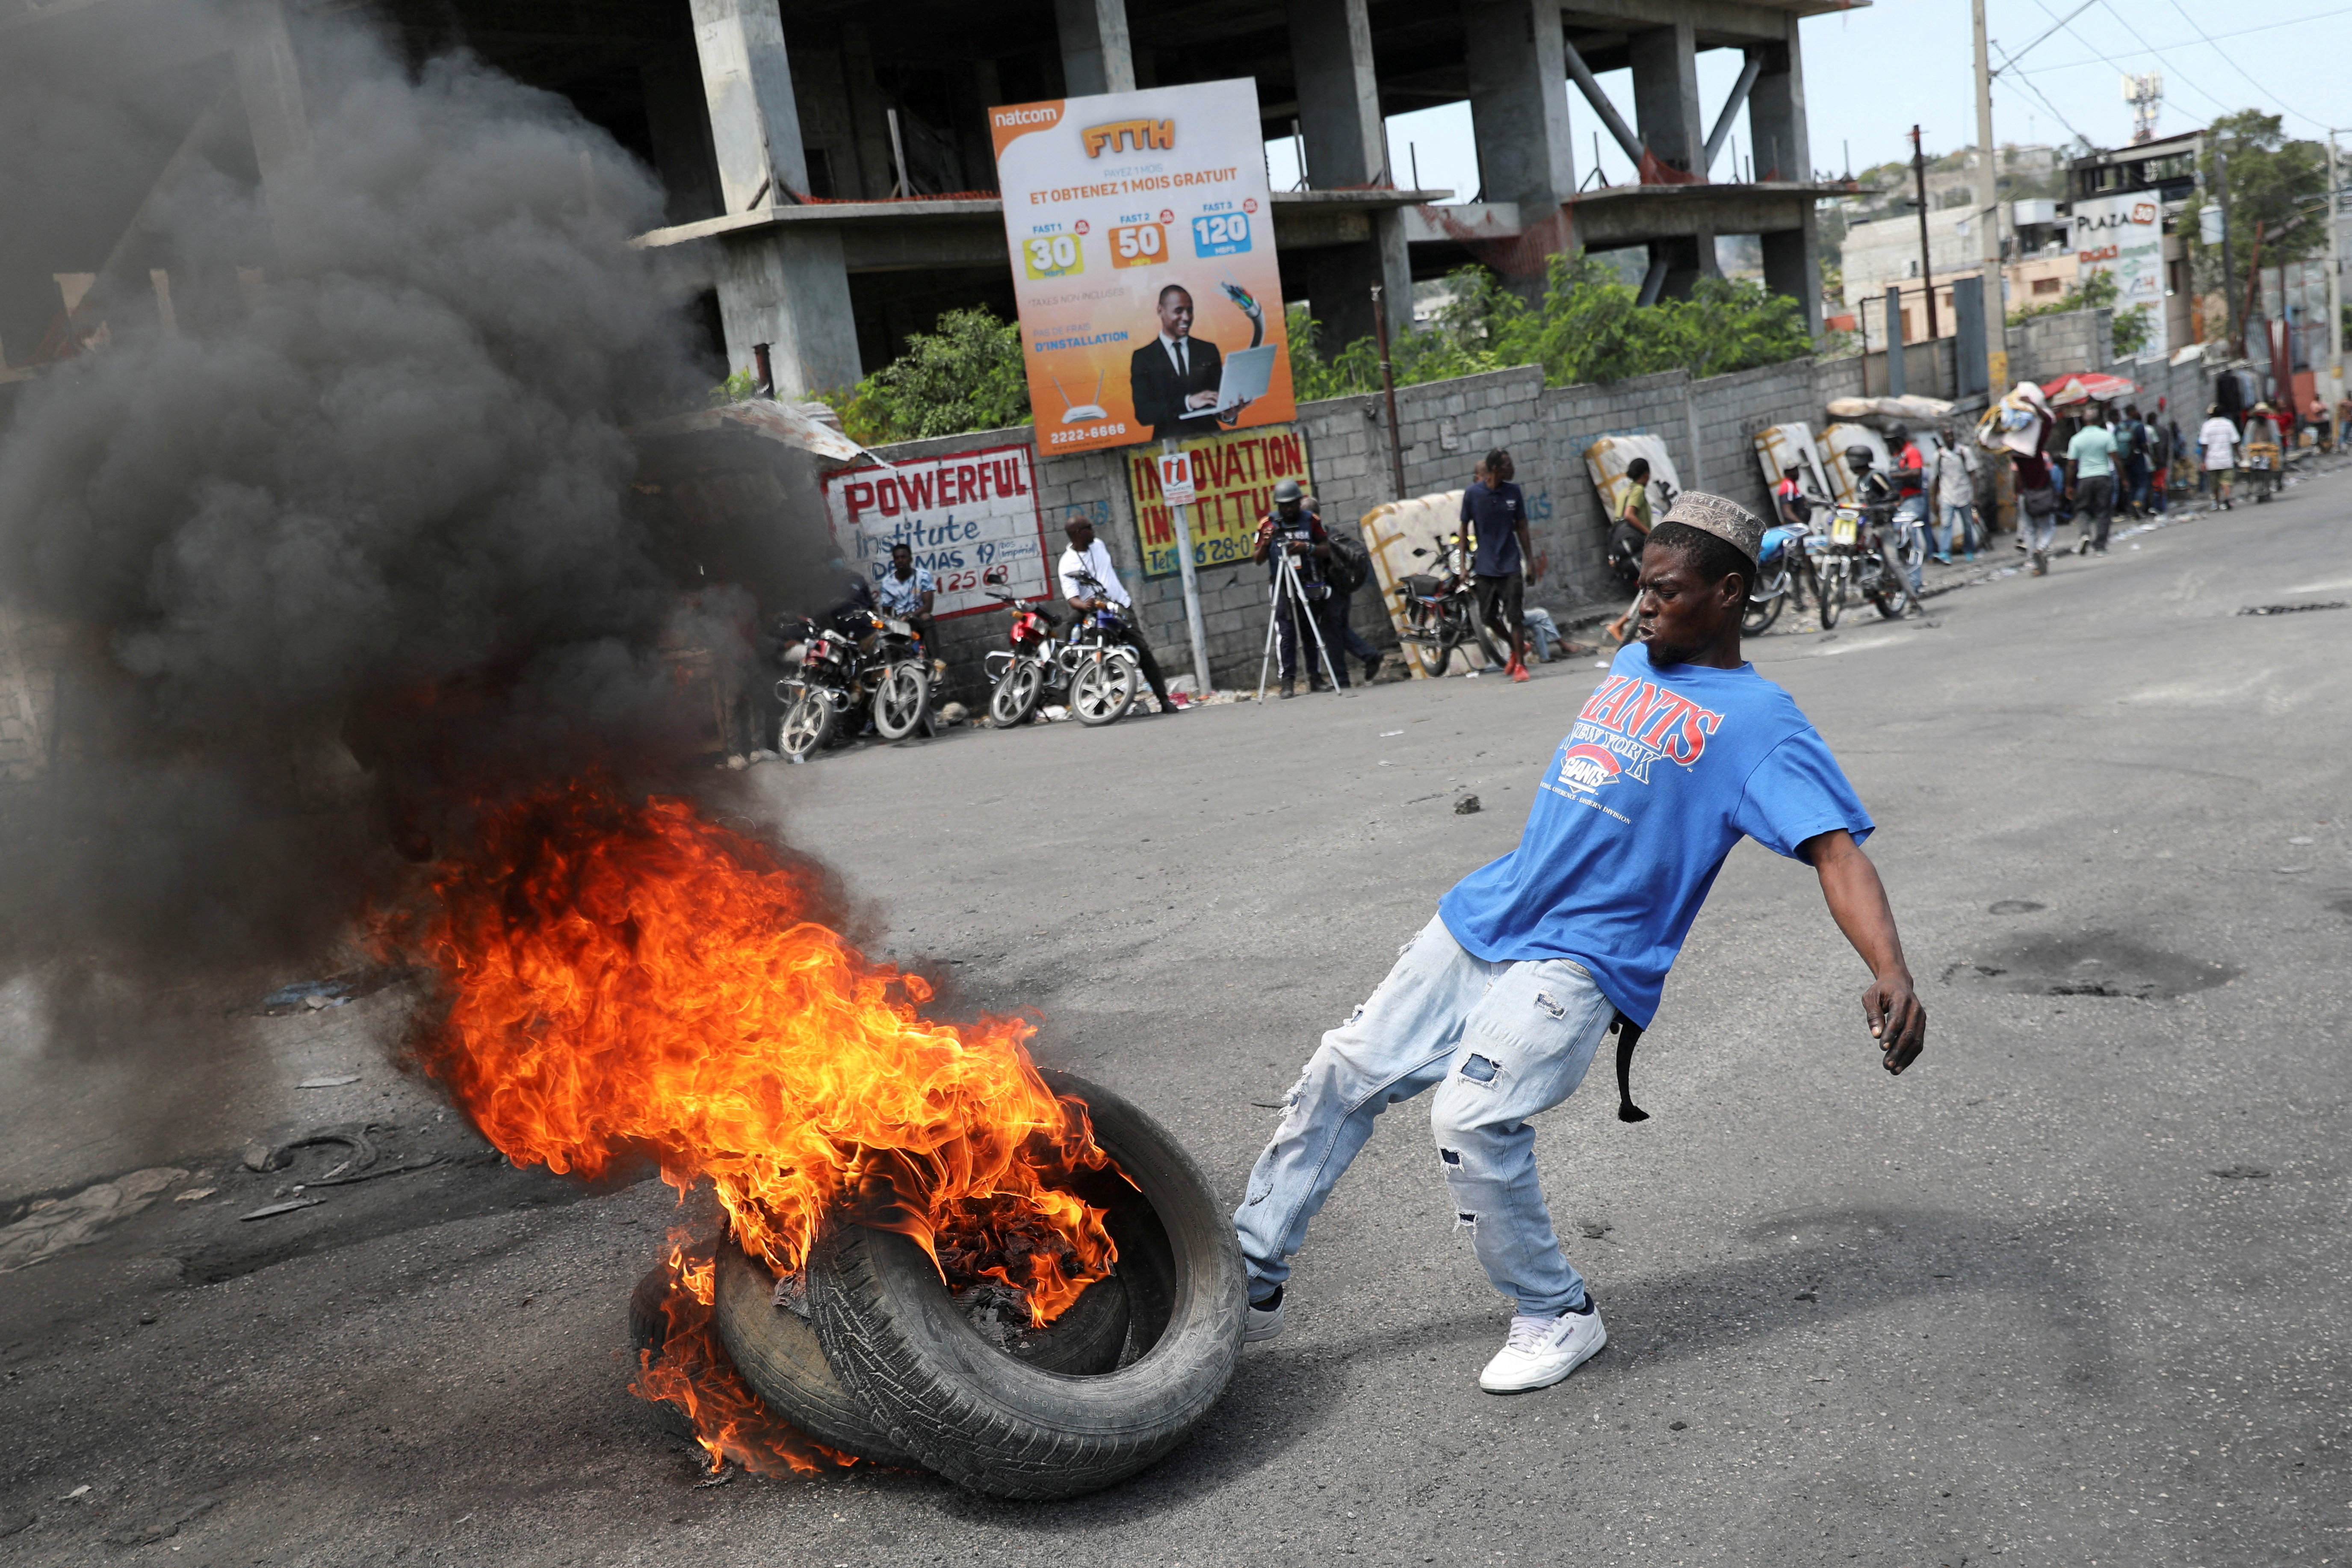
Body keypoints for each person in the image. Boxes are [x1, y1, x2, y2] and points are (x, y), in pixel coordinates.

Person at [1232, 492, 1926, 1393]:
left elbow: (1835, 852)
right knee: (1337, 1072)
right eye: (1640, 587)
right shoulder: (1637, 656)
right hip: (1489, 913)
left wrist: (1889, 967)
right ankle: (1246, 1281)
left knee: (1469, 1119)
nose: (1642, 607)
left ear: (1727, 593)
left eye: (1664, 591)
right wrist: (1641, 620)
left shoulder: (1761, 723)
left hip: (1584, 958)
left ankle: (1556, 1313)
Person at [1057, 514, 1177, 713]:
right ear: (1079, 533)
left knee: (1143, 651)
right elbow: (1072, 598)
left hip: (1120, 606)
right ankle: (1067, 670)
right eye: (1089, 527)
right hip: (1094, 611)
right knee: (1093, 649)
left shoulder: (1099, 545)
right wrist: (1083, 605)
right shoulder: (1067, 563)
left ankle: (1164, 700)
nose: (1094, 530)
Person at [1128, 283, 1259, 439]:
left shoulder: (1207, 350)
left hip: (1211, 442)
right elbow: (1143, 413)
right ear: (1160, 311)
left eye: (1190, 311)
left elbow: (1219, 401)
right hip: (1169, 447)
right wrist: (1188, 402)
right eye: (1179, 311)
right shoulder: (1144, 357)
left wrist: (1228, 413)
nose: (1187, 317)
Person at [1253, 478, 1340, 698]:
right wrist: (1266, 543)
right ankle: (1288, 682)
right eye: (1284, 506)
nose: (1289, 509)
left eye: (1293, 504)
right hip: (1281, 583)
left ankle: (1316, 677)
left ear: (1299, 502)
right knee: (1286, 633)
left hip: (1306, 582)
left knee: (1310, 629)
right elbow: (1257, 560)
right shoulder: (1267, 524)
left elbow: (1328, 549)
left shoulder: (1311, 520)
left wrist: (1306, 548)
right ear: (1278, 505)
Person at [1462, 448, 1536, 682]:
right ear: (1496, 470)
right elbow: (1464, 528)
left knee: (1515, 617)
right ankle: (1517, 648)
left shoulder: (1513, 492)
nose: (1512, 469)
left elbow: (1522, 527)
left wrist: (1530, 562)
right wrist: (1464, 565)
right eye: (1508, 466)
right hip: (1485, 567)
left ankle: (1521, 667)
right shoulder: (1473, 494)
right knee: (1488, 617)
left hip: (1511, 565)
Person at [1602, 458, 1655, 644]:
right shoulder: (1639, 491)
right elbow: (1629, 515)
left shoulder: (1623, 491)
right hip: (1636, 549)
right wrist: (1650, 534)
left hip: (1622, 549)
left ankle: (1632, 627)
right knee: (1652, 587)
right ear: (1646, 474)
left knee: (1647, 589)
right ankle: (1619, 625)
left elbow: (1618, 523)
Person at [874, 543, 939, 670]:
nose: (900, 561)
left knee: (927, 617)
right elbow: (886, 612)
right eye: (897, 558)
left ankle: (936, 662)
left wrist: (909, 616)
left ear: (910, 559)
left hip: (918, 619)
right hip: (901, 624)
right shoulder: (888, 583)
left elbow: (928, 606)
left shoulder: (923, 576)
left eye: (904, 557)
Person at [2065, 406, 2119, 555]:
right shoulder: (2106, 436)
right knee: (2103, 511)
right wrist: (2124, 479)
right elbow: (2116, 459)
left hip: (2084, 479)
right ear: (2099, 420)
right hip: (2103, 476)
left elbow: (2071, 465)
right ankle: (2100, 546)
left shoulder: (2076, 439)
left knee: (2082, 509)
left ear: (2084, 420)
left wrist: (2069, 485)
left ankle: (2085, 534)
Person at [1886, 424, 1930, 591]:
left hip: (1913, 500)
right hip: (1900, 502)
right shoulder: (1896, 456)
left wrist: (1895, 476)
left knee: (1908, 537)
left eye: (1892, 441)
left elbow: (1916, 472)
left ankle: (1915, 583)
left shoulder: (1911, 452)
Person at [1927, 429, 1977, 564]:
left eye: (1951, 436)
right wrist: (1933, 500)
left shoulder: (1964, 452)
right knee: (1946, 524)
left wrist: (1974, 495)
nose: (1950, 438)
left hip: (1964, 493)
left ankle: (1969, 550)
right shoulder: (1939, 456)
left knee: (1968, 524)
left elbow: (1973, 474)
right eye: (1947, 436)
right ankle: (1945, 553)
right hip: (1947, 495)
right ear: (1943, 439)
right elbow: (1936, 479)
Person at [2012, 451, 2061, 575]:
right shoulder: (2043, 456)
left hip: (2025, 495)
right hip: (2042, 494)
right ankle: (2040, 549)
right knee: (2049, 527)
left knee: (2029, 530)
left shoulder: (2018, 456)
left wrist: (2017, 493)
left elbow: (2017, 475)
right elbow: (2052, 473)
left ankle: (2035, 564)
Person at [2198, 403, 2239, 511]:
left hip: (2212, 460)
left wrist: (2203, 461)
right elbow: (2235, 442)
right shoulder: (2228, 424)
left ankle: (2217, 502)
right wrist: (2239, 455)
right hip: (2226, 459)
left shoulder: (2207, 426)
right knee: (2227, 481)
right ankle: (2227, 498)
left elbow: (2204, 445)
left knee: (2214, 484)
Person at [2242, 402, 2283, 501]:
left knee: (2275, 467)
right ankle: (2253, 487)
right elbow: (2247, 440)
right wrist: (2246, 451)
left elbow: (2276, 439)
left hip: (2269, 451)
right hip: (2255, 452)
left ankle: (2271, 486)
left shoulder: (2272, 423)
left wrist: (2278, 451)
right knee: (2249, 470)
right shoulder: (2251, 425)